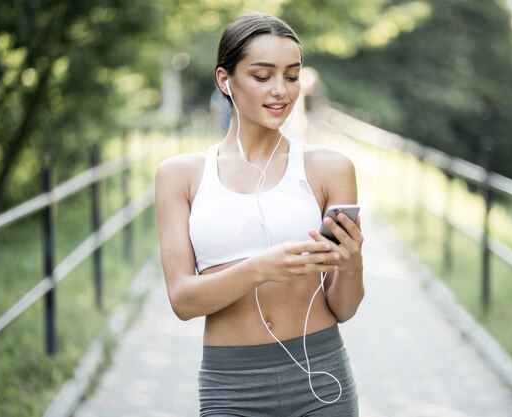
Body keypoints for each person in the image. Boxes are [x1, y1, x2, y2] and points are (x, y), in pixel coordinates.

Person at [155, 12, 364, 417]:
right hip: (230, 390)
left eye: (291, 75)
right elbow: (182, 300)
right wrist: (261, 267)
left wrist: (352, 265)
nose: (280, 91)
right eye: (262, 75)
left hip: (321, 379)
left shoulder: (331, 168)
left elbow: (345, 308)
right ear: (224, 80)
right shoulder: (179, 175)